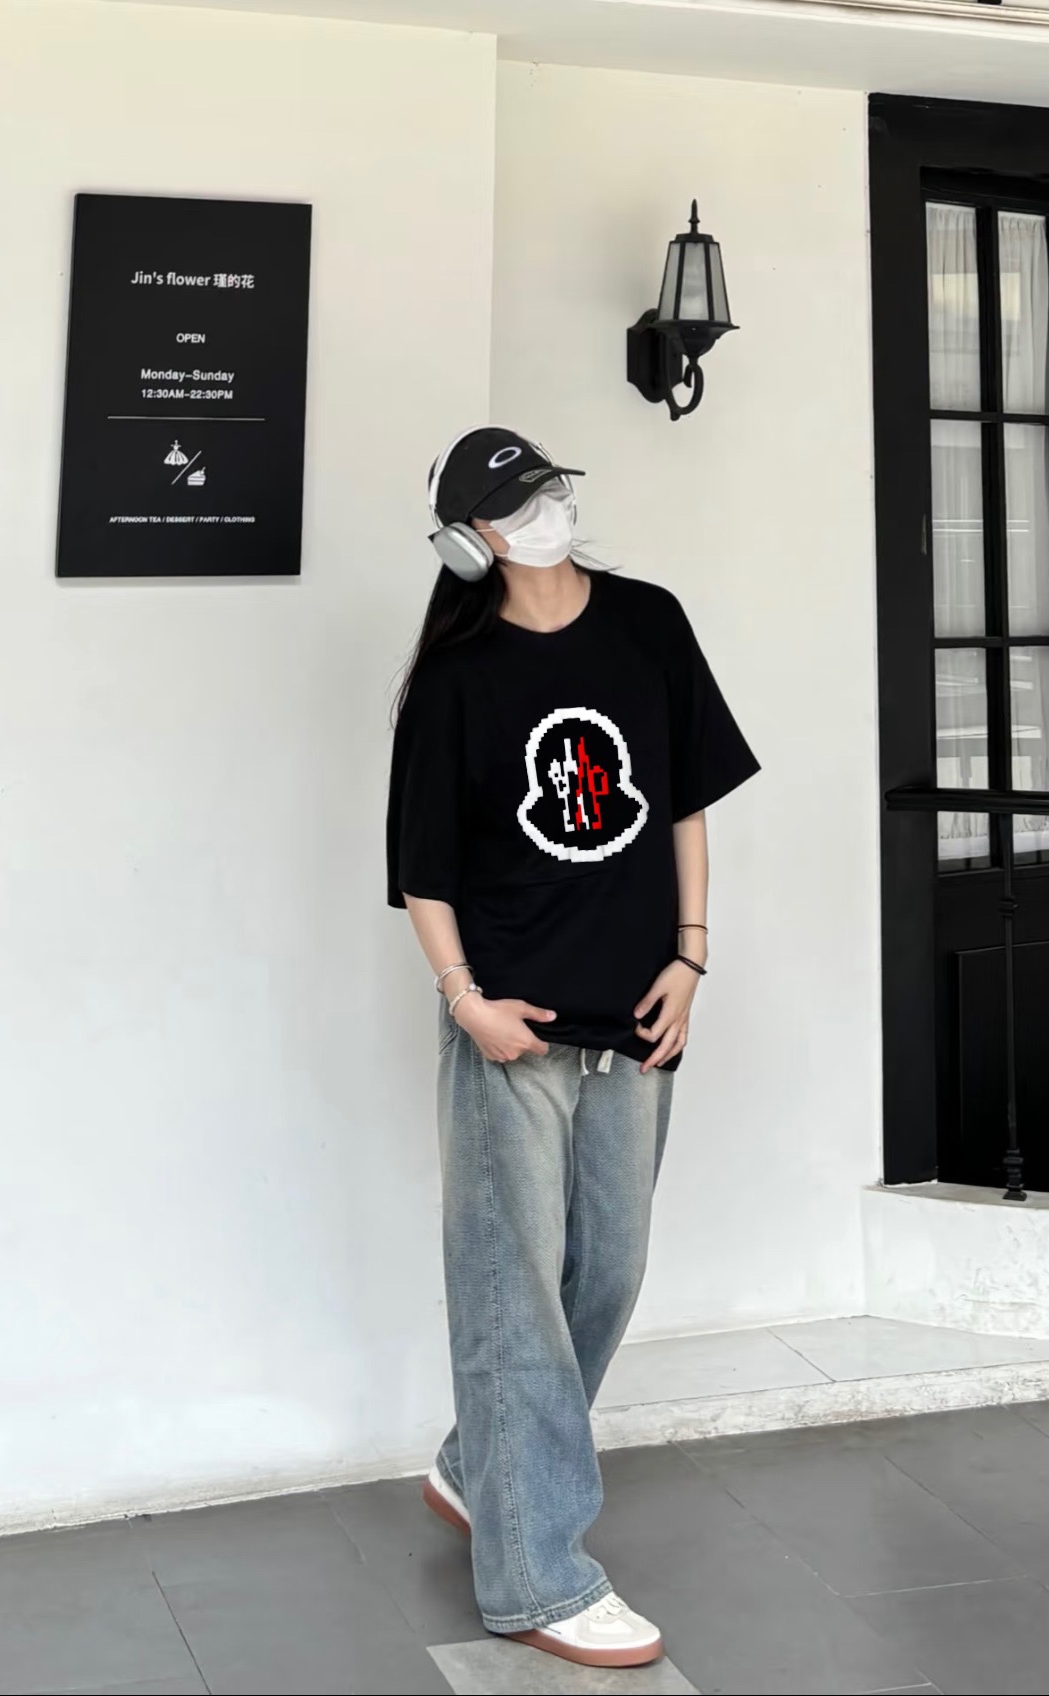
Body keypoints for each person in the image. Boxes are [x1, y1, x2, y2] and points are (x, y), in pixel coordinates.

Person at [385, 426, 759, 1669]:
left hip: (638, 1011)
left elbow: (685, 801)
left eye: (548, 488)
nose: (545, 511)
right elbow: (423, 870)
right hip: (512, 1026)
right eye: (516, 502)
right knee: (514, 1292)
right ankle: (538, 1572)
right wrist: (465, 1001)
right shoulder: (457, 677)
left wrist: (690, 956)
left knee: (606, 1272)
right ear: (467, 540)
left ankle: (476, 1464)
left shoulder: (649, 622)